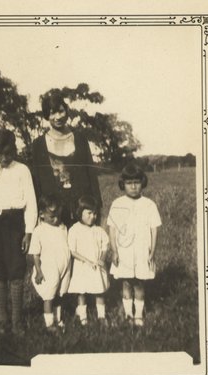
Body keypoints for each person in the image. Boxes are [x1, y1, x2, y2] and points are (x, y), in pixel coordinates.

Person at [0, 129, 38, 336]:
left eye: (9, 152)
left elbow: (31, 203)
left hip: (15, 223)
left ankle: (17, 321)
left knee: (16, 269)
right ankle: (3, 318)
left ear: (15, 150)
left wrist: (28, 232)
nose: (4, 157)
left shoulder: (23, 171)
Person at [31, 89, 102, 228]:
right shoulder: (38, 144)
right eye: (52, 113)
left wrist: (97, 207)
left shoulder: (80, 139)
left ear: (66, 112)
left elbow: (91, 175)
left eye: (61, 111)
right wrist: (40, 213)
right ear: (47, 115)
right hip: (54, 212)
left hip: (80, 209)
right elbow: (37, 181)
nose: (58, 117)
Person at [107, 161, 161, 326]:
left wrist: (152, 251)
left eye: (136, 182)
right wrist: (114, 251)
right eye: (129, 183)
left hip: (142, 249)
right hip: (124, 251)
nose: (133, 187)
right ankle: (128, 314)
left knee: (139, 282)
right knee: (126, 282)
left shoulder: (149, 204)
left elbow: (154, 229)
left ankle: (138, 314)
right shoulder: (117, 204)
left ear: (142, 183)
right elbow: (112, 229)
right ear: (123, 184)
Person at [29, 194, 71, 331]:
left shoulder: (63, 227)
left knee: (60, 294)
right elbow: (35, 254)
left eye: (58, 215)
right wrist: (39, 271)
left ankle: (58, 319)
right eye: (52, 217)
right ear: (42, 215)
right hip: (48, 268)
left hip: (64, 267)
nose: (56, 219)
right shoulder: (39, 231)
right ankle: (49, 324)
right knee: (49, 295)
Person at [67, 195, 109, 325]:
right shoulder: (74, 229)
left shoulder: (98, 230)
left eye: (95, 213)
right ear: (80, 213)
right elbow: (73, 251)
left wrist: (101, 259)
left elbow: (105, 246)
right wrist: (87, 261)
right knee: (81, 292)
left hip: (97, 265)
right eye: (89, 213)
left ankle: (101, 316)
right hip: (82, 266)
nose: (93, 217)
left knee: (99, 291)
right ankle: (83, 317)